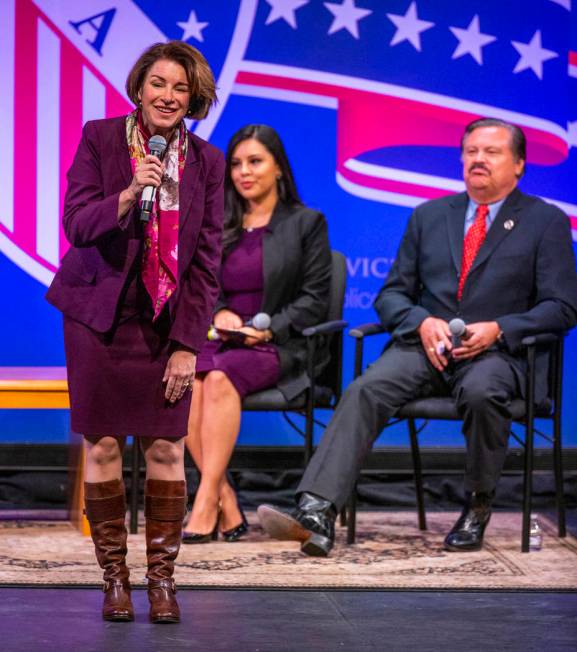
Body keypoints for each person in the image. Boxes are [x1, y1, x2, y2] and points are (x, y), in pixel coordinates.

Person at [258, 118, 577, 557]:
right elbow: (392, 295)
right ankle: (317, 510)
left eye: (491, 152)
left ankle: (477, 505)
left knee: (484, 393)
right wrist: (422, 321)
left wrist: (500, 329)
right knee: (367, 389)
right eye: (470, 151)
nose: (477, 159)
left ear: (519, 164)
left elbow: (562, 307)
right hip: (425, 349)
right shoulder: (430, 215)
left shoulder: (546, 222)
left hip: (497, 355)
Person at [46, 41, 224, 622]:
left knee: (167, 446)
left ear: (193, 99)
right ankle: (114, 580)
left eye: (180, 89)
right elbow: (75, 224)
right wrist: (127, 195)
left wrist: (187, 345)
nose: (168, 97)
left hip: (165, 321)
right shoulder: (100, 138)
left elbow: (205, 264)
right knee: (101, 445)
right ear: (139, 87)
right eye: (158, 84)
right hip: (98, 318)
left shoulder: (208, 162)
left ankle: (164, 583)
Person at [181, 124, 332, 543]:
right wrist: (222, 312)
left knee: (219, 376)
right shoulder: (219, 223)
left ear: (279, 168)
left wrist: (269, 330)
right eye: (236, 164)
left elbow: (314, 299)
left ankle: (206, 498)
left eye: (255, 161)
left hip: (280, 343)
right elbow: (203, 285)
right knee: (187, 377)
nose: (244, 172)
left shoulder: (306, 223)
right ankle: (226, 499)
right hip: (222, 335)